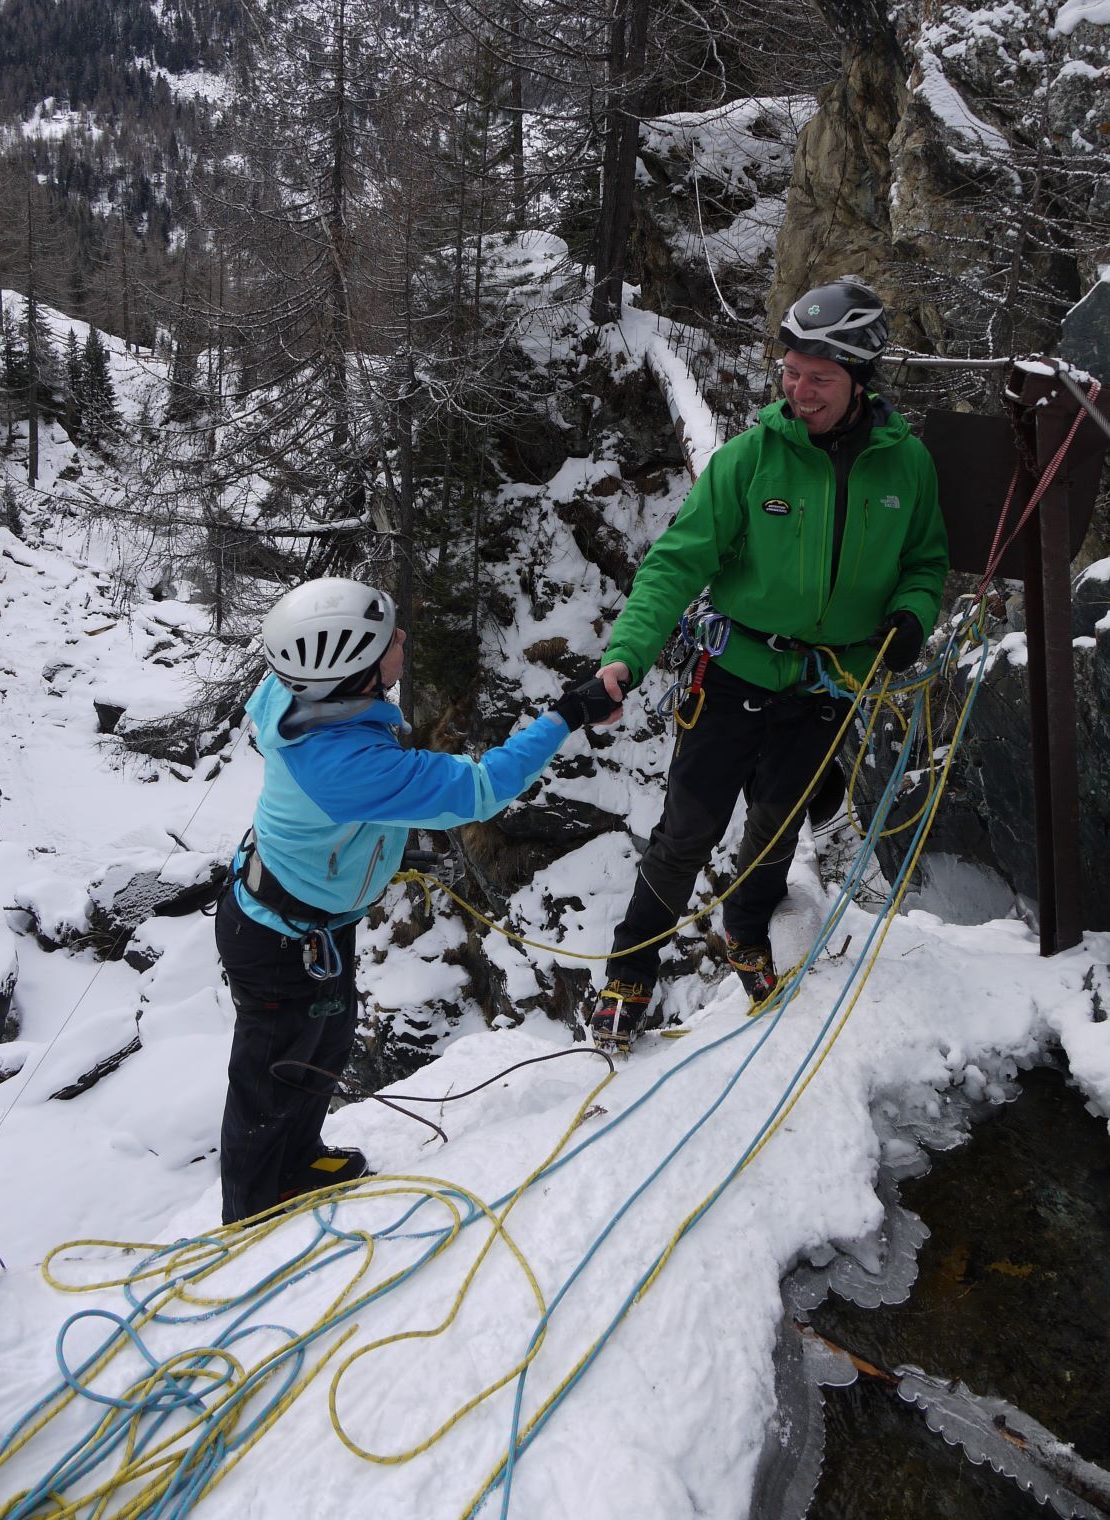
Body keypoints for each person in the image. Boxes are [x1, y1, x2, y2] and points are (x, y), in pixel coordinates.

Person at [588, 277, 949, 1049]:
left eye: (818, 378)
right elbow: (674, 568)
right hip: (736, 674)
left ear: (860, 381)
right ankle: (633, 965)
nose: (799, 390)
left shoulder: (906, 467)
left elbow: (926, 560)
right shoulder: (752, 460)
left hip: (831, 682)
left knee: (779, 822)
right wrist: (625, 658)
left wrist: (912, 616)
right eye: (790, 372)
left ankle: (745, 929)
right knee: (687, 829)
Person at [217, 576, 621, 1223]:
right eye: (387, 639)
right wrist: (569, 712)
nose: (402, 638)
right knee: (272, 1073)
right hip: (280, 937)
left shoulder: (296, 696)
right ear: (352, 674)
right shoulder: (344, 765)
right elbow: (484, 788)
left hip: (301, 921)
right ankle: (252, 1213)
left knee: (324, 1042)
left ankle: (297, 1160)